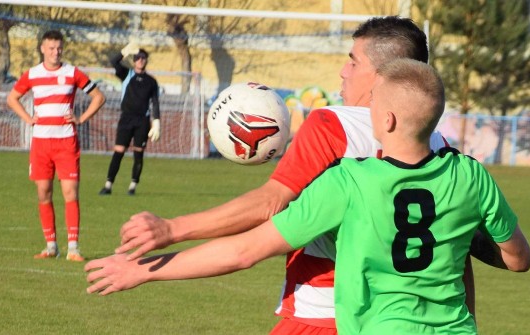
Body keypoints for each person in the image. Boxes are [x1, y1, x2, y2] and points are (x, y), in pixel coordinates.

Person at [91, 17, 485, 333]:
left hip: (324, 310)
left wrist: (171, 229)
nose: (343, 71)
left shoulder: (333, 125)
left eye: (353, 60)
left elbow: (268, 206)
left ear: (384, 74)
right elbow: (466, 254)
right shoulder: (442, 148)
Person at [7, 30, 105, 262]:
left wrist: (80, 119)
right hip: (41, 143)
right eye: (51, 48)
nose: (55, 52)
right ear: (42, 49)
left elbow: (99, 97)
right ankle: (51, 246)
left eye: (59, 48)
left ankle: (73, 248)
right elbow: (12, 98)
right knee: (44, 193)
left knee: (70, 193)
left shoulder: (72, 73)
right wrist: (28, 118)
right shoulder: (32, 74)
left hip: (66, 142)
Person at [99, 42, 161, 196]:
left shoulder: (151, 82)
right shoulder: (127, 74)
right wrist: (124, 51)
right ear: (134, 60)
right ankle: (108, 185)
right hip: (126, 119)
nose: (140, 60)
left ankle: (133, 186)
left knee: (138, 153)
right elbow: (114, 61)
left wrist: (156, 122)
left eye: (143, 58)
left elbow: (155, 102)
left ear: (146, 61)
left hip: (142, 121)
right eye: (138, 57)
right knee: (118, 151)